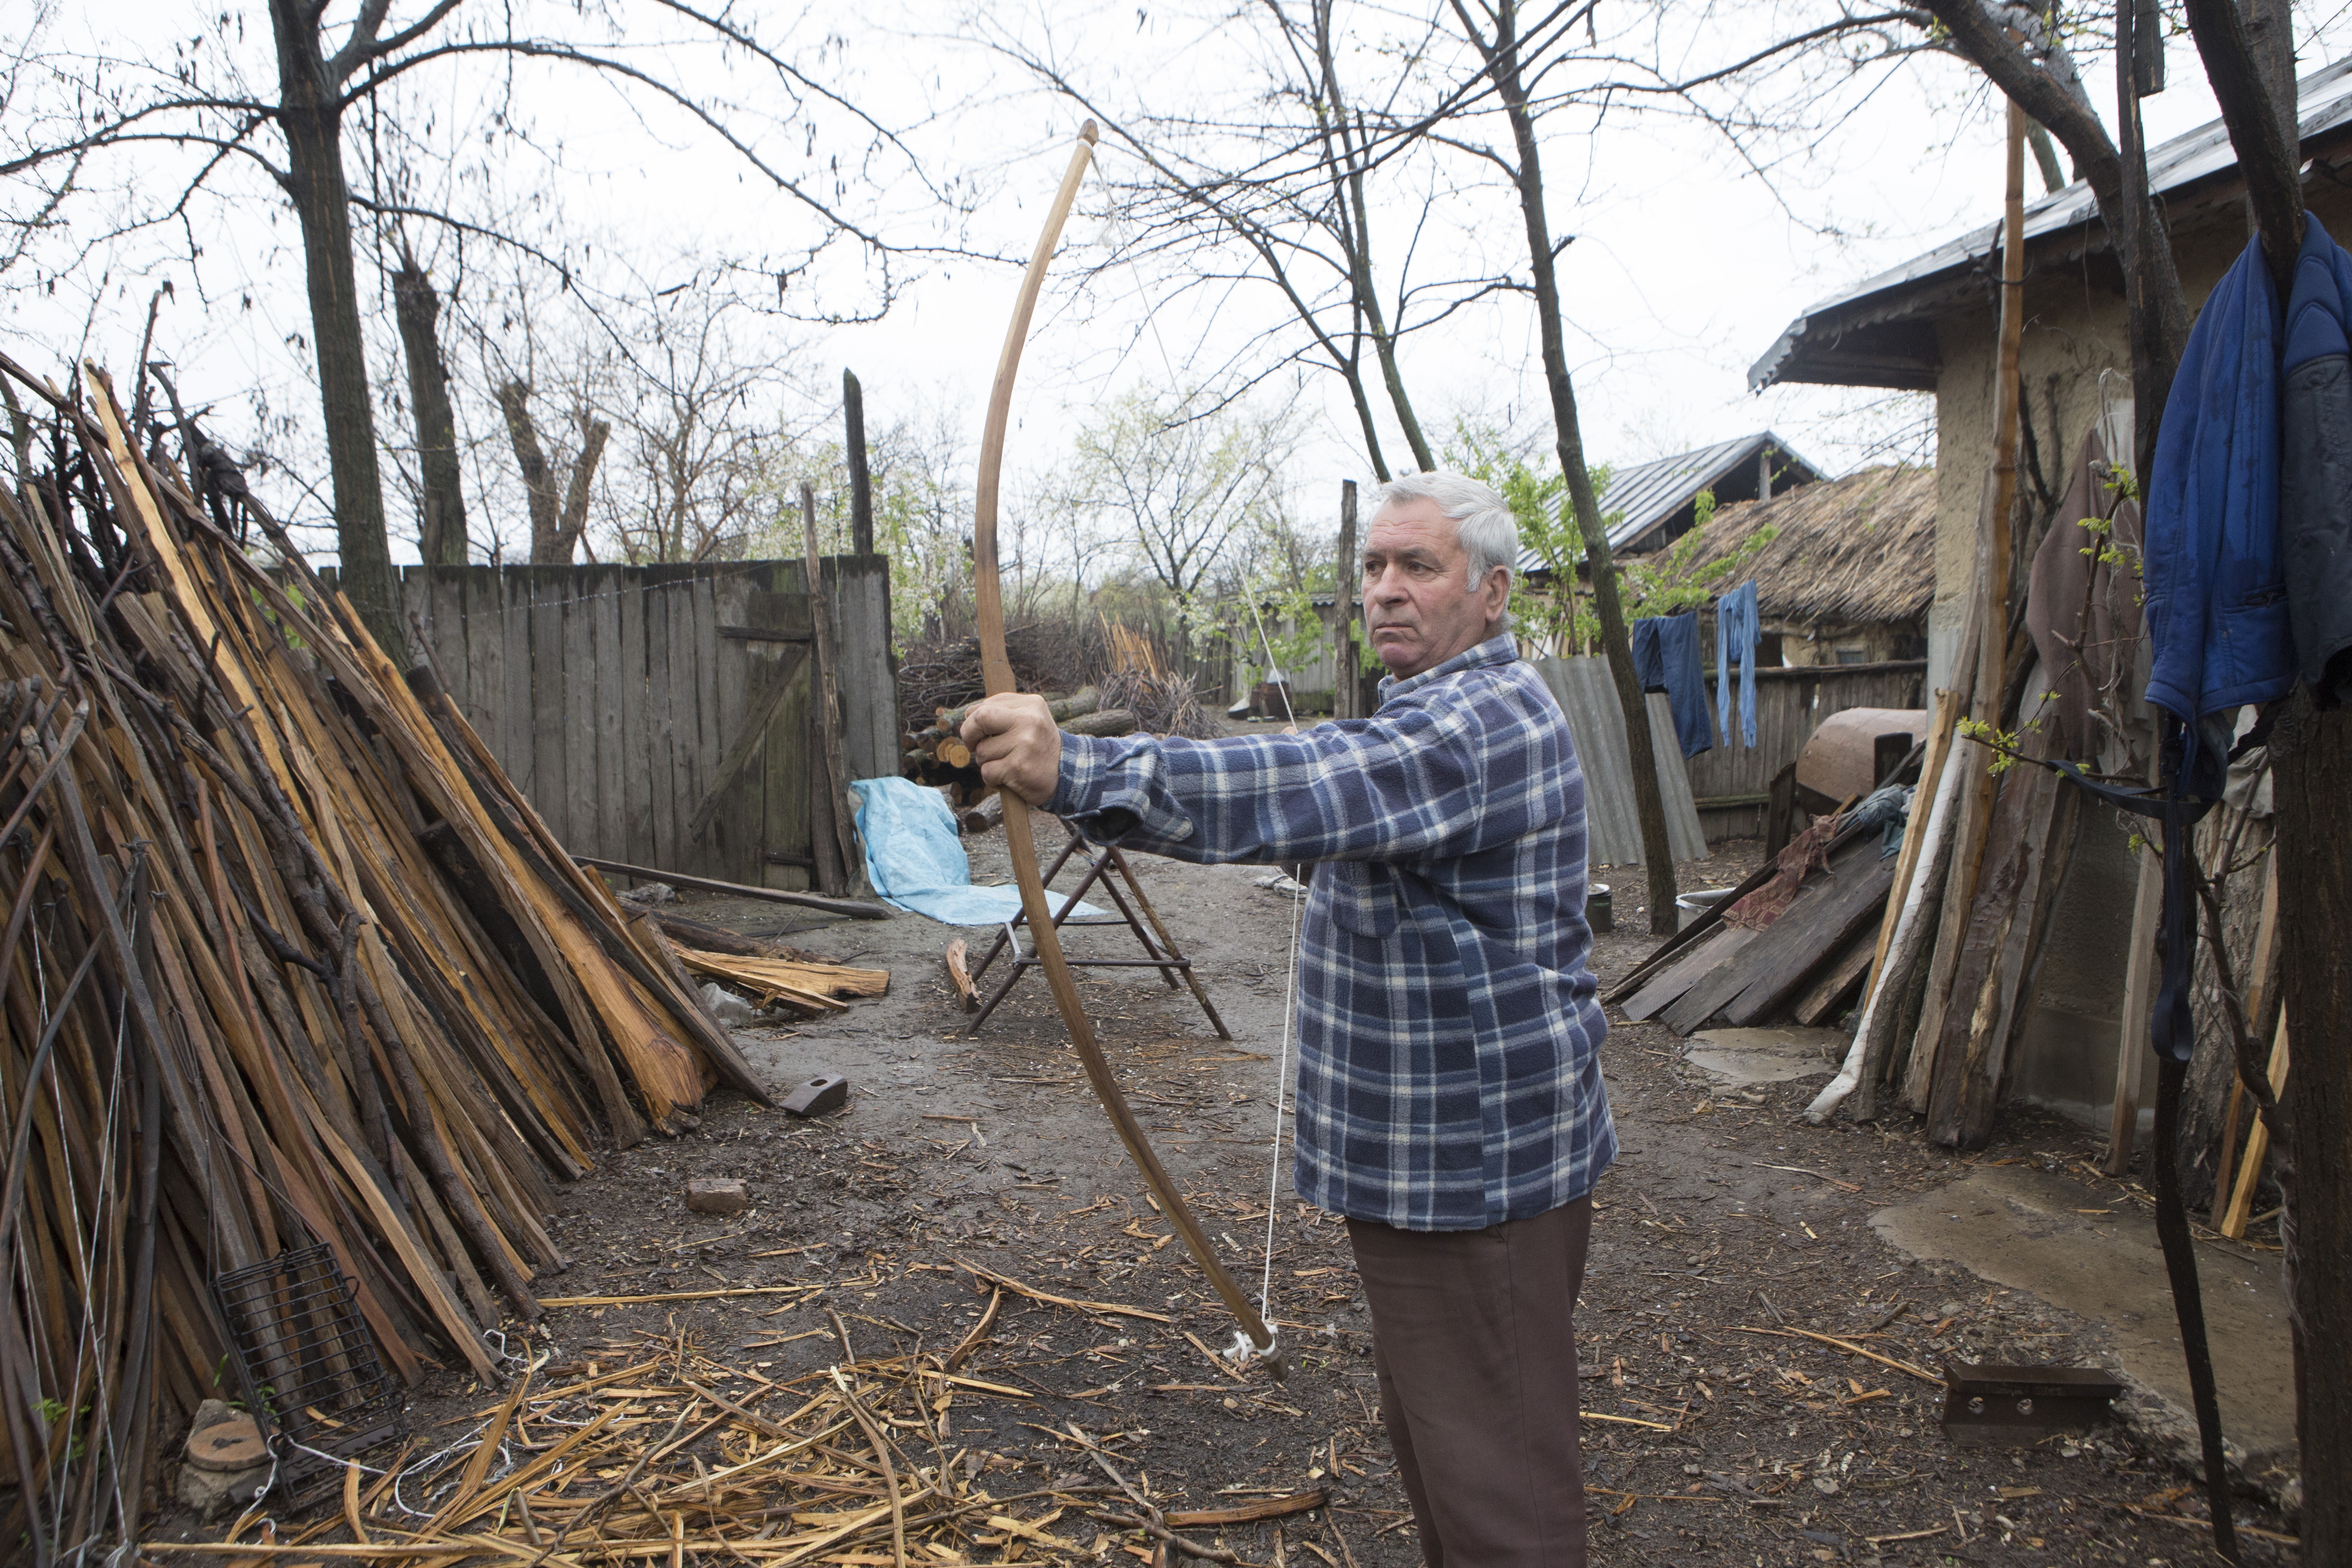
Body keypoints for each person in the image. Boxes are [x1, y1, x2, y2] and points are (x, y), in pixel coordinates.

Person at [961, 472, 1613, 1568]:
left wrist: (1079, 765)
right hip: (1441, 1173)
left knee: (1505, 1505)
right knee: (1453, 1464)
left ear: (1494, 593)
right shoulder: (1433, 713)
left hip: (1476, 1179)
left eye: (1420, 566)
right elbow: (1337, 782)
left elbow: (1312, 780)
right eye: (1373, 567)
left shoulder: (1479, 723)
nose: (1386, 590)